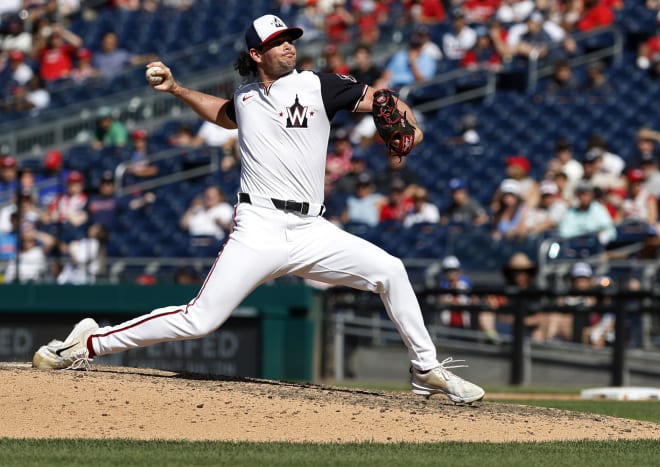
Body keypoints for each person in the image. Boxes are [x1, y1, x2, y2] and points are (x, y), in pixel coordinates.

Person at [32, 14, 484, 404]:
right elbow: (224, 114)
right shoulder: (246, 98)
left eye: (289, 40)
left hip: (311, 227)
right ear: (255, 54)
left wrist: (412, 130)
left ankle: (424, 370)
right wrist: (176, 90)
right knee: (200, 319)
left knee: (391, 270)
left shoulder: (318, 85)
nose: (287, 47)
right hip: (259, 226)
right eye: (276, 43)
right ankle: (86, 344)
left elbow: (383, 100)